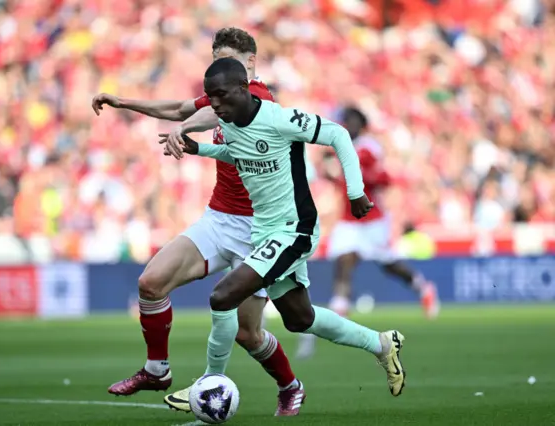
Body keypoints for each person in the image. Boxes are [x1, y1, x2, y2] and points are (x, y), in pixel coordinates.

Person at [166, 58, 407, 404]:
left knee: (223, 296)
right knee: (299, 317)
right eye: (209, 97)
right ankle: (382, 343)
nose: (213, 104)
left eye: (219, 95)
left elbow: (338, 134)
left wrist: (356, 192)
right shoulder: (230, 124)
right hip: (266, 232)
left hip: (295, 229)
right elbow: (240, 156)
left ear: (242, 88)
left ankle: (209, 381)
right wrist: (201, 149)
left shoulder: (280, 119)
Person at [91, 28, 303, 416]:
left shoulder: (261, 97)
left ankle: (290, 386)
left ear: (251, 63)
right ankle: (157, 370)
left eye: (231, 61)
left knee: (248, 333)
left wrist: (186, 129)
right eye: (216, 61)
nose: (221, 70)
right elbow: (179, 108)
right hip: (220, 219)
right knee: (151, 283)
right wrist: (124, 102)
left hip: (260, 232)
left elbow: (201, 115)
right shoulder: (222, 93)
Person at [295, 107, 440, 359]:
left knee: (388, 263)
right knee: (343, 261)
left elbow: (383, 178)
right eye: (345, 120)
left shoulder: (368, 147)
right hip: (349, 220)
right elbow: (335, 174)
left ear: (361, 124)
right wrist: (333, 174)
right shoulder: (340, 145)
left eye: (351, 121)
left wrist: (353, 174)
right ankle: (340, 311)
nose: (347, 125)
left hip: (371, 219)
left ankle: (423, 287)